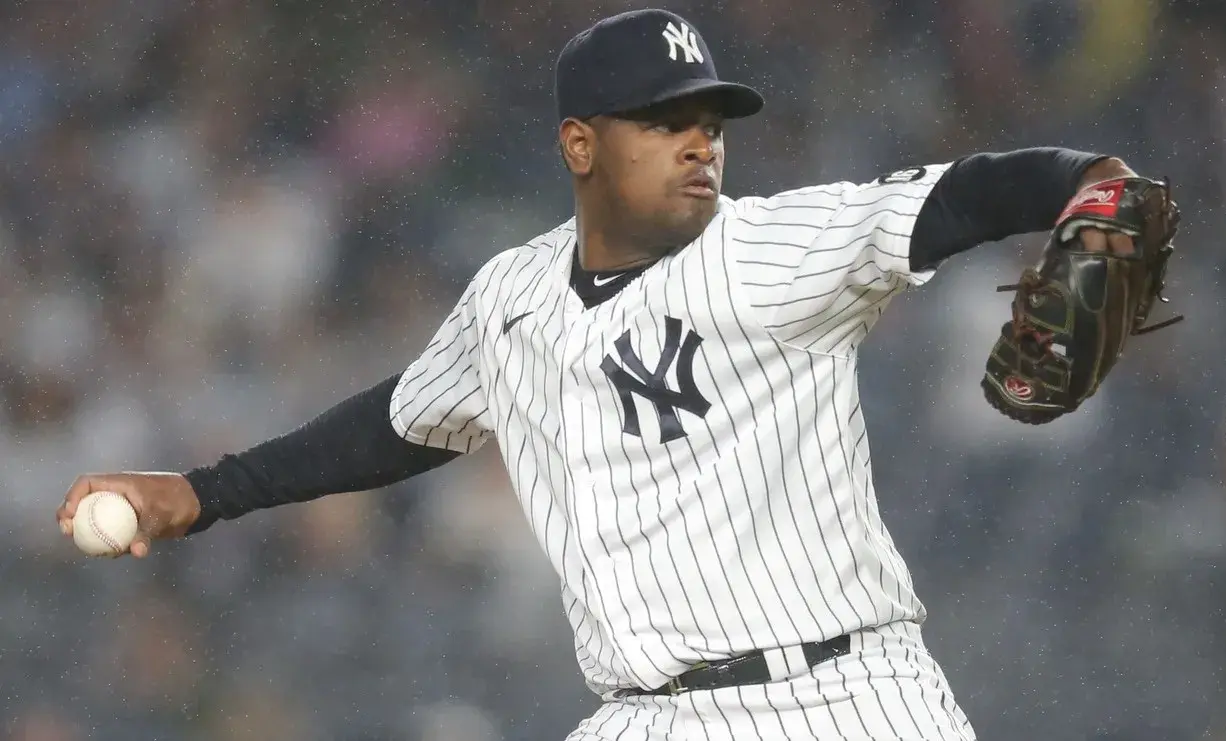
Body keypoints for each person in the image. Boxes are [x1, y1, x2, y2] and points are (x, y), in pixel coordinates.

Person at [57, 8, 1153, 740]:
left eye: (710, 122)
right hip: (646, 717)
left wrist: (1091, 181)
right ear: (580, 145)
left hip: (842, 697)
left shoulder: (771, 247)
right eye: (662, 122)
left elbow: (962, 194)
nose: (699, 145)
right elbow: (396, 425)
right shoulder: (512, 297)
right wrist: (201, 494)